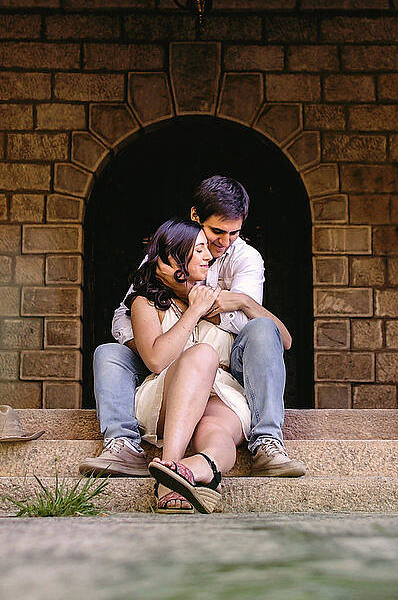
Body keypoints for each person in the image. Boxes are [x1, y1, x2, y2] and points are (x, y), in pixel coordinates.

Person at [81, 175, 306, 479]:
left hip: (225, 381)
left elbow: (269, 334)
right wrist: (160, 336)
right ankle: (124, 443)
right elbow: (123, 319)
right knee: (112, 353)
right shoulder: (163, 258)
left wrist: (236, 301)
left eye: (234, 233)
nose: (222, 244)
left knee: (257, 334)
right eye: (216, 233)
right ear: (195, 218)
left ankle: (252, 446)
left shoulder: (246, 259)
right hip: (168, 375)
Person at [120, 217, 295, 513]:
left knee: (218, 435)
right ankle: (169, 469)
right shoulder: (146, 303)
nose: (208, 257)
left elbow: (285, 340)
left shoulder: (218, 300)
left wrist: (244, 302)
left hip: (221, 394)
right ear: (175, 256)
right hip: (167, 393)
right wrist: (195, 310)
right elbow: (156, 360)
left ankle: (196, 469)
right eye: (199, 250)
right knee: (203, 354)